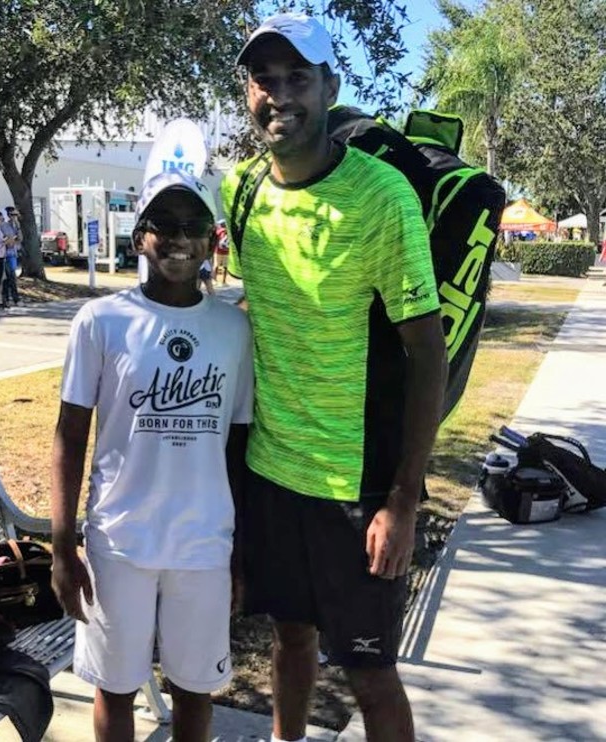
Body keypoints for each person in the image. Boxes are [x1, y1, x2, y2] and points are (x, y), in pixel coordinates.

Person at [221, 13, 448, 742]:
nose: (279, 96)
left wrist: (405, 502)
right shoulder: (242, 192)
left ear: (331, 87)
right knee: (292, 643)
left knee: (372, 678)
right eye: (265, 79)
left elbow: (426, 353)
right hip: (272, 476)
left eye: (298, 79)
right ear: (246, 91)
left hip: (358, 487)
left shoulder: (382, 197)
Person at [50, 169, 254, 742]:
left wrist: (241, 549)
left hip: (203, 546)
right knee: (114, 689)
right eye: (164, 224)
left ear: (214, 239)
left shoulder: (233, 331)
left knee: (195, 693)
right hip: (119, 543)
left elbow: (237, 446)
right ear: (141, 235)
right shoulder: (101, 322)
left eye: (193, 225)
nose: (178, 238)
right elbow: (69, 436)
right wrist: (64, 547)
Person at [1, 206, 22, 307]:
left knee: (11, 277)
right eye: (12, 215)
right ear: (7, 215)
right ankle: (12, 298)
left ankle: (9, 298)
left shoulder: (15, 225)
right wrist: (11, 240)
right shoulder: (3, 225)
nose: (14, 217)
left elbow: (20, 239)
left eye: (16, 215)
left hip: (13, 254)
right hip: (5, 254)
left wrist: (18, 227)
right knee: (10, 277)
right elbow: (6, 241)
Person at [213, 219, 230, 285]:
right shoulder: (228, 232)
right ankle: (224, 281)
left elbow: (214, 240)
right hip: (226, 252)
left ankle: (215, 280)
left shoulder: (218, 232)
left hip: (218, 251)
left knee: (216, 266)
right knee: (225, 267)